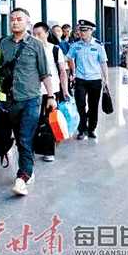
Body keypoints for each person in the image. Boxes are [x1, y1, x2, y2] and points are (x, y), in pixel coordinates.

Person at [0, 9, 57, 196]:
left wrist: (51, 97)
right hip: (11, 99)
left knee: (25, 137)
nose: (15, 22)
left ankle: (22, 177)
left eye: (19, 19)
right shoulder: (3, 43)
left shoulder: (36, 44)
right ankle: (28, 169)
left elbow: (45, 73)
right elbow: (0, 69)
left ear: (27, 22)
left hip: (31, 98)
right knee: (19, 138)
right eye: (12, 19)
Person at [32, 22, 71, 162]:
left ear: (47, 34)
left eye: (39, 34)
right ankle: (33, 149)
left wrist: (65, 90)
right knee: (34, 120)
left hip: (52, 90)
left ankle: (49, 151)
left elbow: (62, 71)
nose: (36, 37)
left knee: (49, 121)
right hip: (34, 91)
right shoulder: (30, 49)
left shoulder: (55, 50)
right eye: (34, 34)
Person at [66, 20, 109, 140]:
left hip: (95, 80)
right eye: (80, 30)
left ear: (91, 31)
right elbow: (68, 57)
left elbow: (103, 63)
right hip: (80, 80)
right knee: (80, 105)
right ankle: (82, 130)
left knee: (93, 105)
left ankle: (92, 129)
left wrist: (106, 79)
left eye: (85, 30)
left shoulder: (98, 46)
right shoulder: (75, 45)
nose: (82, 33)